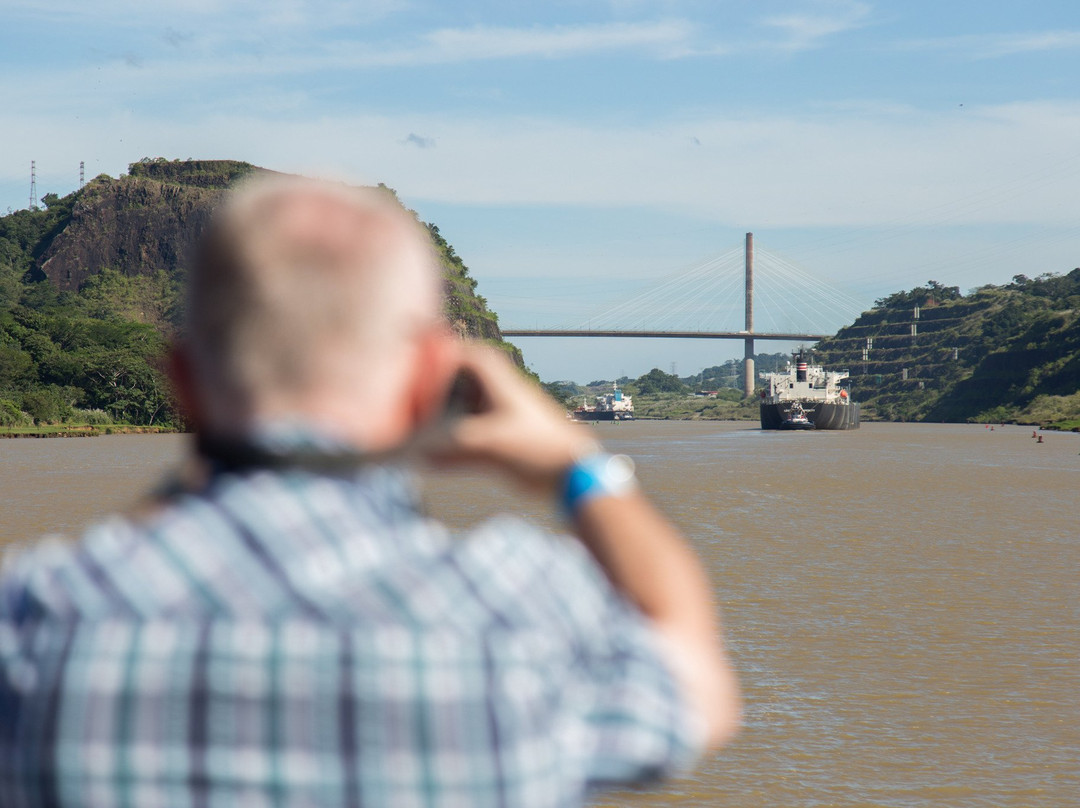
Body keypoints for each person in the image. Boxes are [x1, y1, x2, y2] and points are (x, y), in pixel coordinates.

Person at [0, 178, 739, 806]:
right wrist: (576, 466)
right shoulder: (523, 611)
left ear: (183, 382)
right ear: (429, 379)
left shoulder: (34, 618)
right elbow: (697, 680)